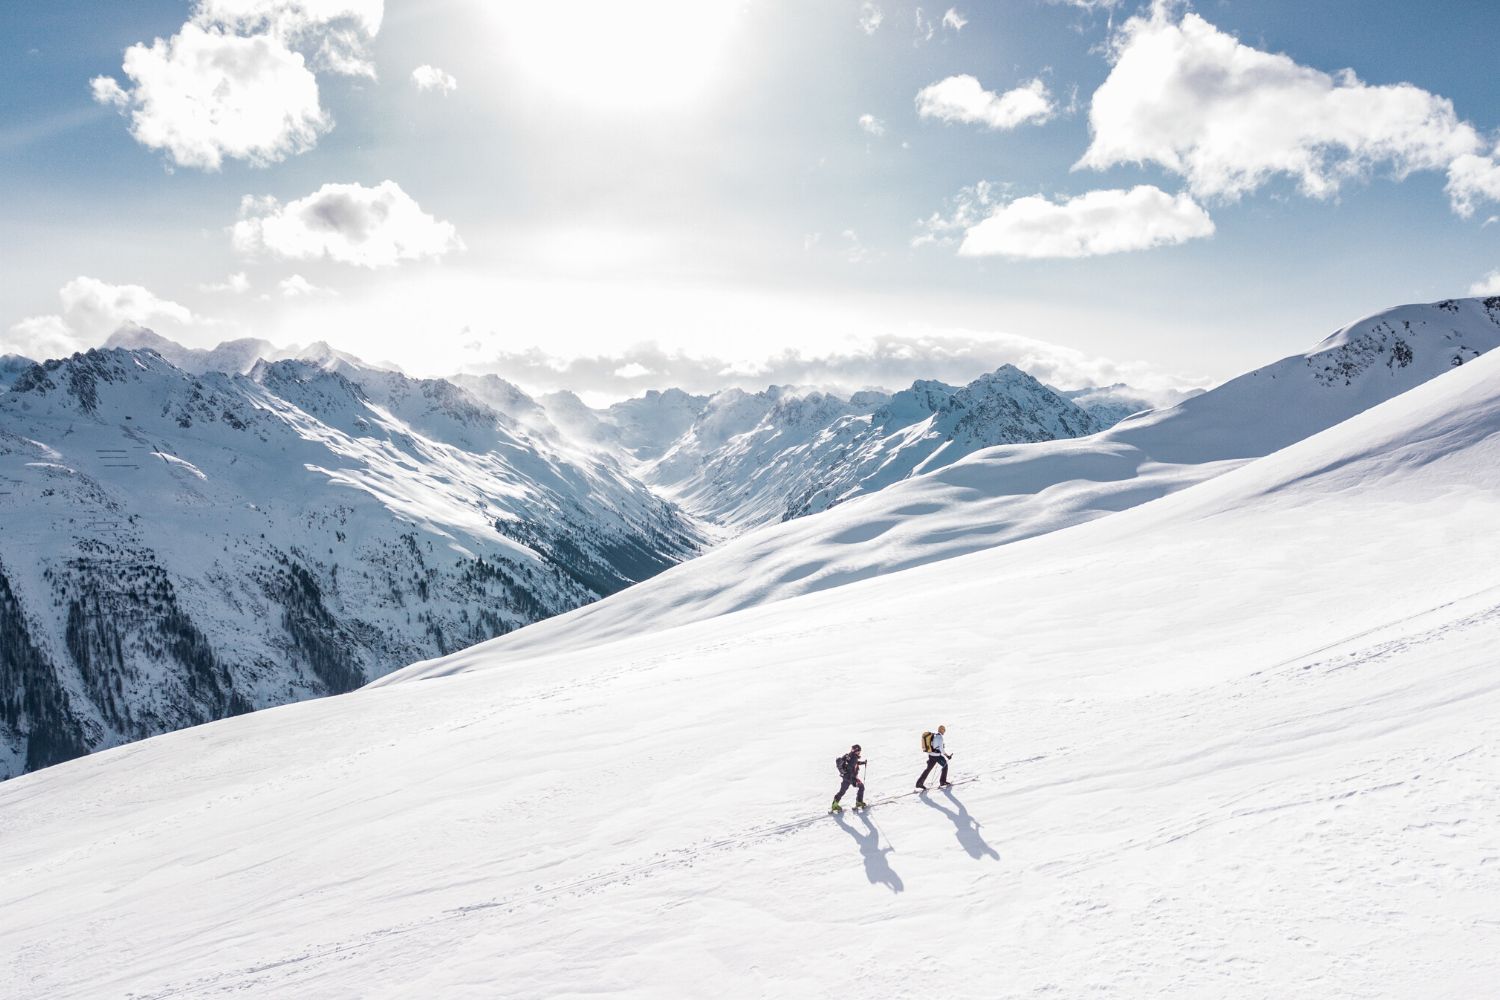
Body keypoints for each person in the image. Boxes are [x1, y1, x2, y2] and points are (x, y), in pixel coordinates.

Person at [831, 744, 867, 811]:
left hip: (845, 777)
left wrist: (863, 762)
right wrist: (854, 778)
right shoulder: (854, 757)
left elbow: (854, 763)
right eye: (859, 751)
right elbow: (851, 766)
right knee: (861, 787)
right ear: (856, 751)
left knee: (842, 791)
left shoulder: (849, 755)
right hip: (851, 778)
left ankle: (834, 805)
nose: (859, 752)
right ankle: (859, 802)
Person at [916, 724, 951, 790]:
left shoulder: (934, 735)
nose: (944, 732)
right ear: (941, 730)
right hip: (937, 756)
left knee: (928, 769)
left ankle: (919, 783)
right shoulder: (940, 737)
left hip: (931, 755)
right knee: (945, 765)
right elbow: (941, 749)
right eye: (944, 730)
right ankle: (942, 781)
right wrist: (947, 756)